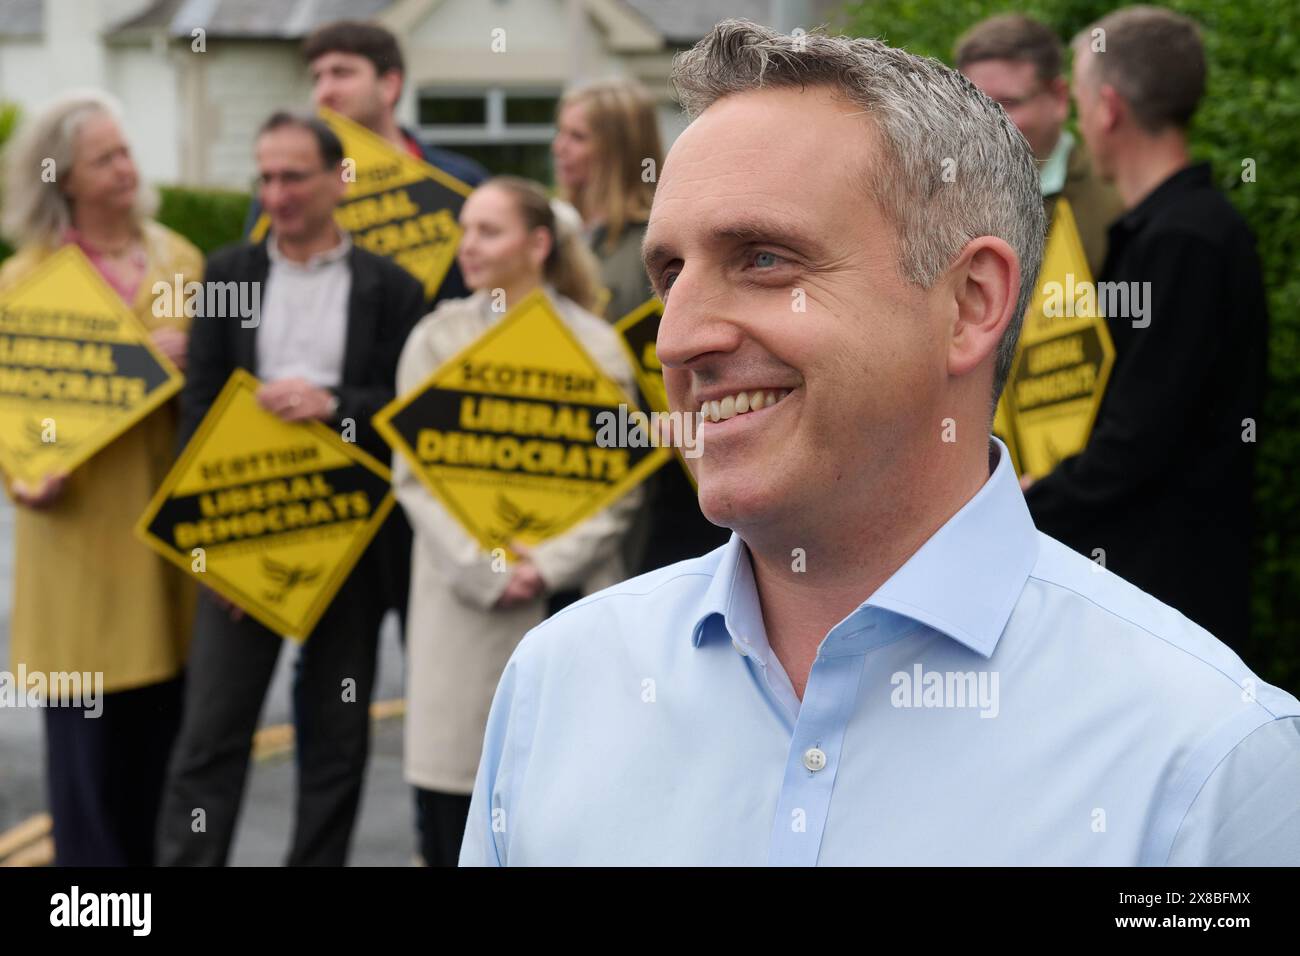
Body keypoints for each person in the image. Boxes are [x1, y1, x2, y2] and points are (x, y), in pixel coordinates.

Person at [459, 20, 1300, 866]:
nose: (677, 339)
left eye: (761, 259)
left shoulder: (1207, 759)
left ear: (970, 303)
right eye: (669, 272)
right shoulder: (556, 685)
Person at [155, 112, 426, 866]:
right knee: (211, 732)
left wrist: (336, 404)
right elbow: (200, 407)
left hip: (351, 546)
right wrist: (214, 548)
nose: (276, 194)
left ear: (339, 180)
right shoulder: (226, 274)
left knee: (336, 739)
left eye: (293, 177)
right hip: (241, 537)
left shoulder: (394, 288)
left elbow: (410, 411)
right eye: (265, 177)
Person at [392, 176, 642, 866]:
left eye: (488, 231)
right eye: (465, 229)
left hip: (571, 599)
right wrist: (490, 569)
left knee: (568, 808)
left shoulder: (597, 346)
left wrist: (546, 565)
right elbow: (415, 479)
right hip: (465, 609)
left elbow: (619, 488)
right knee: (456, 810)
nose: (467, 246)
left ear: (537, 244)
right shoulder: (435, 340)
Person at [1024, 6, 1267, 652]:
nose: (1080, 121)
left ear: (1107, 109)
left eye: (1078, 101)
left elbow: (1134, 442)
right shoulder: (1182, 230)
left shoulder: (1181, 241)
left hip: (1167, 593)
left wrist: (1024, 501)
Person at [0, 91, 202, 866]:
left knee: (161, 763)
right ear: (63, 179)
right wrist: (21, 478)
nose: (127, 168)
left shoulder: (182, 259)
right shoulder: (26, 278)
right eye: (105, 159)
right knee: (84, 787)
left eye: (126, 151)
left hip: (165, 548)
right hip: (76, 544)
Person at [293, 18, 490, 640]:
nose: (325, 90)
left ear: (391, 84)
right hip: (331, 446)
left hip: (437, 451)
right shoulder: (294, 189)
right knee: (331, 666)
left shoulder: (459, 184)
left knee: (435, 643)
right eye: (317, 76)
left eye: (342, 73)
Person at [554, 77, 729, 574]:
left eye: (577, 136)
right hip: (586, 463)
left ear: (618, 147)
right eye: (560, 133)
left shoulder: (651, 248)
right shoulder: (583, 243)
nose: (558, 148)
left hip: (660, 482)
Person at [955, 14, 1123, 278]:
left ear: (1059, 98)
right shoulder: (944, 193)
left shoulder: (1116, 198)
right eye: (973, 103)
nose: (986, 121)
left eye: (1007, 103)